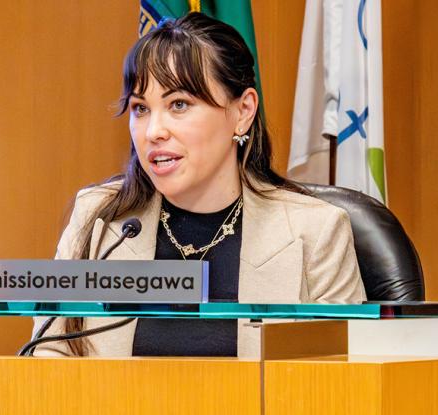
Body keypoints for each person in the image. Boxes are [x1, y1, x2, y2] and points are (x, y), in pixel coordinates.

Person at [31, 12, 365, 358]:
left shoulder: (315, 232)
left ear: (243, 111)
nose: (153, 131)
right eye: (140, 108)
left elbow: (341, 380)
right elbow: (48, 358)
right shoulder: (99, 218)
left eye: (179, 105)